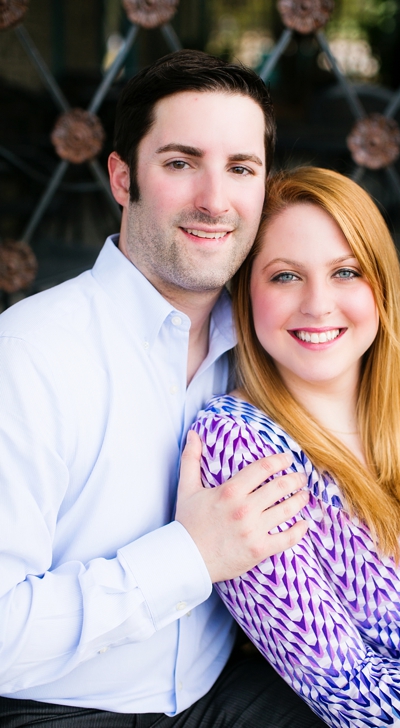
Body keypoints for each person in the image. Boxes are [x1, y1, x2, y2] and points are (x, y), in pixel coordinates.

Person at [0, 51, 320, 726]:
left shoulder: (273, 345)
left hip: (228, 689)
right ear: (123, 178)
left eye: (241, 168)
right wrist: (190, 556)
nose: (214, 199)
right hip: (57, 709)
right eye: (180, 164)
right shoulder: (27, 357)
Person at [189, 166, 400, 727]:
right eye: (284, 277)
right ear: (245, 292)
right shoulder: (239, 444)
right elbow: (344, 684)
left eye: (346, 271)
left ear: (379, 283)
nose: (319, 304)